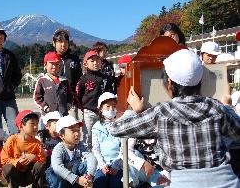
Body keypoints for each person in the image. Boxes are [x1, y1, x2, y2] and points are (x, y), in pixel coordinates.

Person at [111, 49, 240, 187]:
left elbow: (116, 129)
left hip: (183, 183)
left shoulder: (162, 112)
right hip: (225, 182)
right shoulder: (217, 108)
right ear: (201, 81)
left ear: (169, 83)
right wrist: (228, 107)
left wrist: (135, 110)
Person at [76, 50, 115, 149]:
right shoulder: (83, 79)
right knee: (88, 134)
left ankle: (103, 153)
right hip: (89, 111)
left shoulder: (106, 78)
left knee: (104, 132)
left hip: (103, 112)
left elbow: (110, 93)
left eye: (97, 60)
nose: (95, 63)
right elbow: (78, 94)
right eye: (92, 61)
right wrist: (83, 107)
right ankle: (87, 153)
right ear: (85, 63)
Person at [46, 115, 98, 188]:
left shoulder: (80, 145)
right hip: (60, 179)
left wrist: (90, 175)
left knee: (87, 165)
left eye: (78, 130)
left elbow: (91, 158)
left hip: (73, 174)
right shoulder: (58, 149)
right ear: (61, 135)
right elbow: (57, 167)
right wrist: (77, 179)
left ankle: (83, 183)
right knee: (54, 174)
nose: (77, 134)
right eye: (73, 131)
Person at [0, 110, 46, 188]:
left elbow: (43, 160)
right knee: (7, 167)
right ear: (21, 126)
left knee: (40, 165)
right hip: (16, 175)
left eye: (37, 124)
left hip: (29, 175)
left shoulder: (37, 143)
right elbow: (3, 160)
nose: (35, 127)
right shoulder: (12, 140)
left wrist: (34, 157)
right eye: (32, 124)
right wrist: (16, 161)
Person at [92, 92, 123, 188]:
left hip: (119, 165)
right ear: (101, 109)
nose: (111, 109)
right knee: (99, 183)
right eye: (108, 106)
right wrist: (102, 165)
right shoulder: (96, 127)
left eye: (114, 106)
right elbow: (96, 149)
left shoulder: (120, 125)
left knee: (117, 184)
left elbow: (124, 148)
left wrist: (117, 166)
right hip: (102, 165)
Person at [33, 51, 73, 116]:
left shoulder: (64, 81)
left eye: (57, 64)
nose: (54, 66)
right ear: (45, 65)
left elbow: (70, 96)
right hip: (48, 116)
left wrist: (68, 106)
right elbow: (37, 97)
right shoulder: (42, 81)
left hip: (63, 115)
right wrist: (45, 108)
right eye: (52, 63)